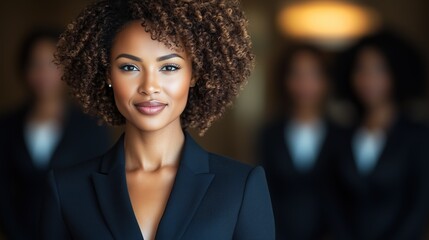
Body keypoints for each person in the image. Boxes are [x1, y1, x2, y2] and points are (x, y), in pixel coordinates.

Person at [39, 0, 275, 239]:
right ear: (108, 74)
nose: (149, 87)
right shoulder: (67, 189)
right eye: (130, 67)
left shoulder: (240, 186)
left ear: (194, 74)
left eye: (169, 67)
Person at [0, 29, 112, 239]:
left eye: (52, 64)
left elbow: (99, 189)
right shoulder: (6, 127)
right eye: (36, 64)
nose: (43, 73)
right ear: (24, 69)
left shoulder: (91, 126)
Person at [328, 31, 429, 240]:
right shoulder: (341, 135)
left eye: (378, 69)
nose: (368, 79)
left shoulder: (418, 135)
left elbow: (419, 206)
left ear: (396, 73)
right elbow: (333, 202)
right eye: (361, 69)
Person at [258, 45, 343, 240]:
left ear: (326, 81)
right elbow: (264, 194)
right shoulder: (270, 135)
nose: (305, 83)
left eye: (313, 74)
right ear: (285, 80)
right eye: (297, 74)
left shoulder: (343, 135)